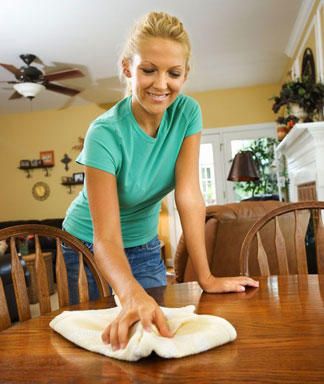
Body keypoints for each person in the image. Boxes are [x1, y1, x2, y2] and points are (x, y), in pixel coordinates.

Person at [62, 11, 258, 351]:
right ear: (127, 68)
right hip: (86, 247)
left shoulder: (187, 113)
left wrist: (206, 276)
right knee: (103, 343)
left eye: (174, 73)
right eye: (148, 69)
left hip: (145, 246)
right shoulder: (105, 133)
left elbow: (189, 195)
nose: (161, 84)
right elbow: (105, 237)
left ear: (185, 75)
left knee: (156, 336)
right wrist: (130, 293)